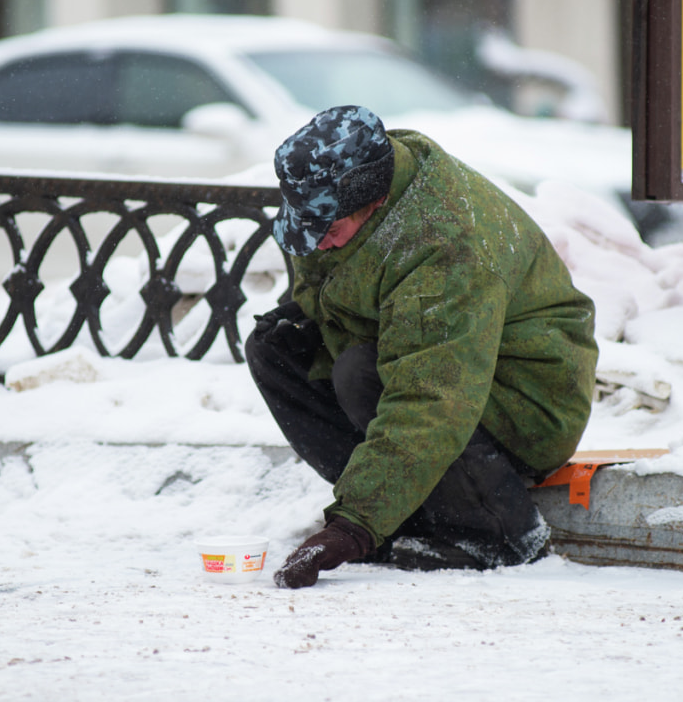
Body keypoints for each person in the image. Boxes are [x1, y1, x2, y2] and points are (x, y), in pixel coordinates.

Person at [246, 105, 598, 589]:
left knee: (361, 372)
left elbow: (431, 396)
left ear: (373, 198)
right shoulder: (332, 205)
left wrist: (353, 526)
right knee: (279, 347)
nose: (317, 245)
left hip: (527, 396)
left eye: (327, 231)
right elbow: (328, 288)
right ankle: (407, 515)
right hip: (428, 356)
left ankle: (495, 534)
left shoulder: (446, 245)